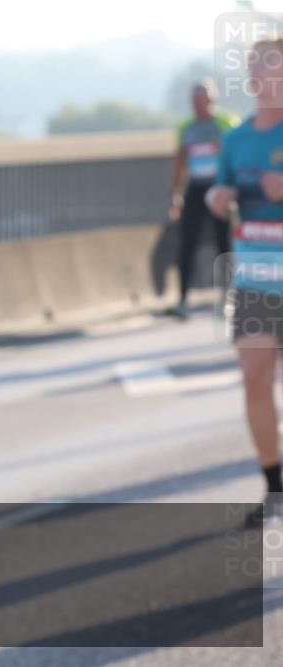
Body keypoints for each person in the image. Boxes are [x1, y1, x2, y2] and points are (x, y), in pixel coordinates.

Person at [206, 38, 283, 527]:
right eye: (253, 66)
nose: (257, 74)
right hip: (255, 281)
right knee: (254, 378)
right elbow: (218, 187)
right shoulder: (235, 139)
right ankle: (275, 487)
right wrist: (217, 196)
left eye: (268, 66)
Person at [167, 80, 239, 319]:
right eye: (195, 98)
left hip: (219, 189)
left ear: (213, 99)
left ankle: (227, 297)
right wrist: (175, 195)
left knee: (223, 244)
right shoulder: (185, 128)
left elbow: (238, 156)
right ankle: (182, 300)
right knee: (186, 243)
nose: (199, 103)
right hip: (196, 190)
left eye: (204, 97)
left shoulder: (226, 123)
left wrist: (235, 190)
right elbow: (179, 163)